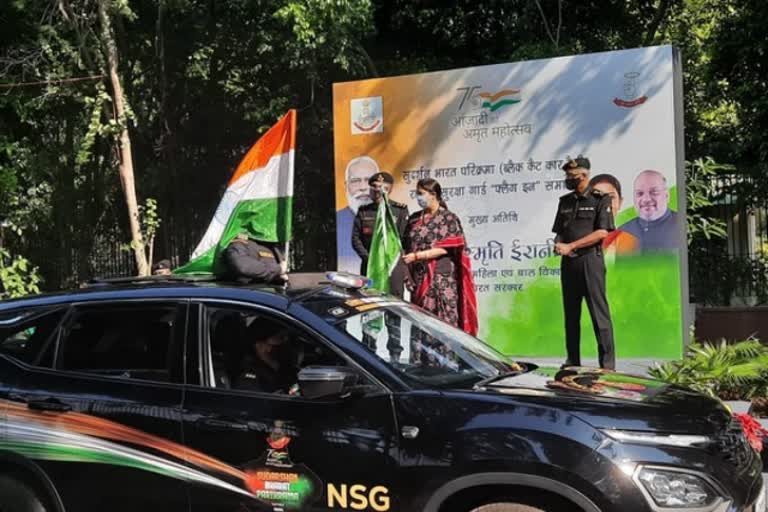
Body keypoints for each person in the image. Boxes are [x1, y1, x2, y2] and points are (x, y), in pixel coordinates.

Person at [552, 156, 616, 370]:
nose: (568, 179)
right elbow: (559, 231)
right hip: (569, 264)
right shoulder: (565, 201)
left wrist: (572, 246)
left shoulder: (600, 199)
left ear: (584, 175)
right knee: (571, 315)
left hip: (590, 262)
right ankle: (572, 360)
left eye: (572, 176)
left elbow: (601, 232)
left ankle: (607, 364)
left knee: (599, 316)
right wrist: (559, 244)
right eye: (567, 176)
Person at [402, 178, 478, 335]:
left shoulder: (448, 218)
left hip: (442, 278)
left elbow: (447, 248)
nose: (417, 197)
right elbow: (405, 245)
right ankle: (421, 359)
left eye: (420, 193)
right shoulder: (414, 218)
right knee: (421, 322)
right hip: (419, 277)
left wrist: (418, 256)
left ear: (433, 194)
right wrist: (407, 272)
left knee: (444, 323)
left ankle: (445, 359)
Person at [351, 172, 410, 295]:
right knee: (370, 299)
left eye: (382, 188)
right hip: (370, 265)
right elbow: (356, 239)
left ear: (390, 190)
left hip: (393, 266)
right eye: (374, 187)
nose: (377, 191)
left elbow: (404, 240)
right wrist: (370, 259)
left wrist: (403, 265)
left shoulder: (399, 210)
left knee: (395, 299)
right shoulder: (364, 211)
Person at [619, 169, 682, 252]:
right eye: (639, 193)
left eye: (654, 192)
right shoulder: (622, 232)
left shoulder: (682, 225)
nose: (646, 199)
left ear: (667, 195)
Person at [336, 156, 379, 272]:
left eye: (369, 181)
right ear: (346, 186)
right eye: (355, 181)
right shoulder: (336, 222)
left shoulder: (390, 215)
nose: (363, 187)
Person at [235, 322, 299, 394]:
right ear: (259, 345)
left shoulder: (279, 366)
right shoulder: (249, 377)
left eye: (286, 338)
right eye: (280, 338)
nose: (285, 342)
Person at [588, 174, 640, 257]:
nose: (605, 203)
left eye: (611, 197)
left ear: (620, 202)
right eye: (597, 197)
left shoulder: (628, 241)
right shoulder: (574, 241)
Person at [220, 233, 288, 285]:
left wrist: (279, 275)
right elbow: (243, 266)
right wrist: (278, 269)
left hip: (272, 295)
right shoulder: (240, 243)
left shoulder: (270, 245)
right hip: (246, 297)